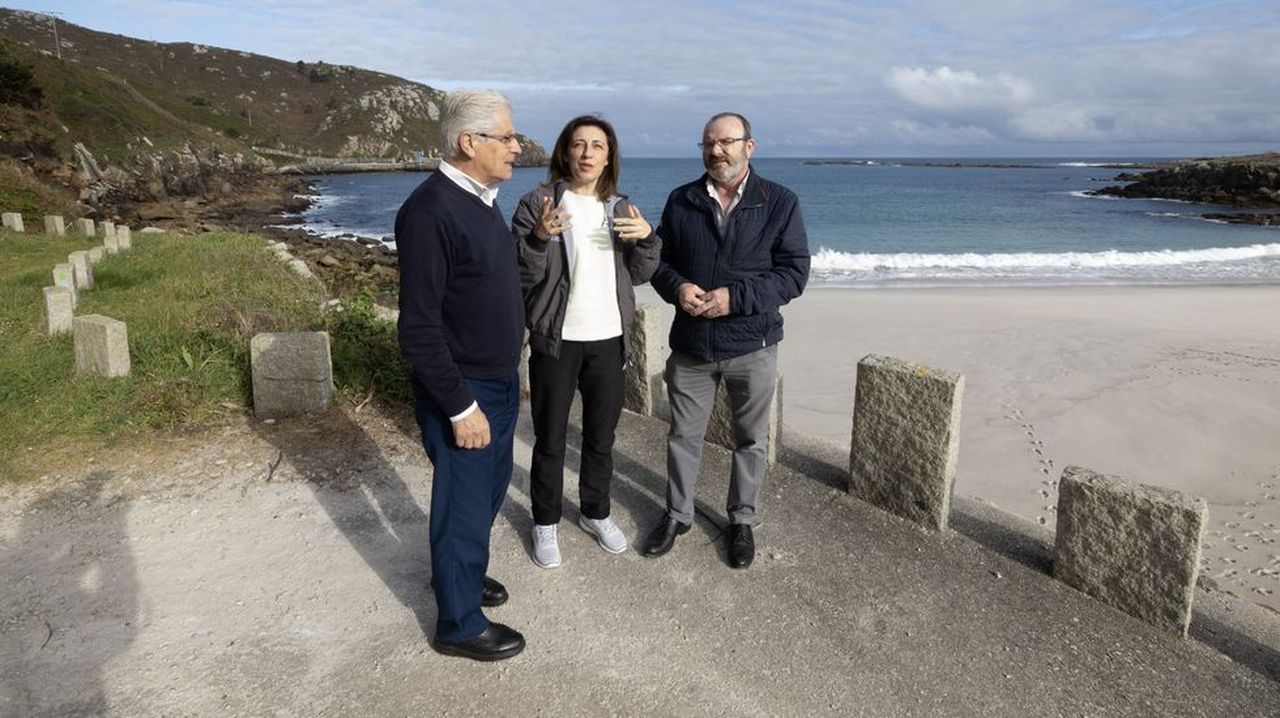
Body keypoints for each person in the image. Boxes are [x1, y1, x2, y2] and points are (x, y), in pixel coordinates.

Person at [642, 112, 810, 569]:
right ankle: (677, 514)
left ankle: (741, 521)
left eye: (727, 142)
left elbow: (794, 275)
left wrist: (734, 298)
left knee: (750, 440)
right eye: (708, 144)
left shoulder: (779, 201)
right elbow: (660, 262)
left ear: (749, 147)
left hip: (752, 346)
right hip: (692, 346)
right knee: (682, 436)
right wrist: (676, 287)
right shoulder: (682, 200)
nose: (717, 151)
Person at [395, 88, 526, 661]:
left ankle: (461, 578)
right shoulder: (430, 212)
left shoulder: (481, 197)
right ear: (468, 142)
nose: (518, 148)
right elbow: (419, 328)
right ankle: (458, 623)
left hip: (497, 379)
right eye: (507, 137)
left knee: (489, 491)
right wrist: (459, 405)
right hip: (466, 389)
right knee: (463, 504)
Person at [511, 115, 660, 568]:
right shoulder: (537, 202)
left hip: (609, 340)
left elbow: (637, 274)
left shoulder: (621, 208)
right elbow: (520, 273)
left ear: (609, 155)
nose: (588, 152)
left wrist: (649, 240)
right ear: (565, 151)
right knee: (551, 438)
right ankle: (545, 522)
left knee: (600, 437)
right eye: (579, 144)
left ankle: (596, 511)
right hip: (556, 340)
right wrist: (539, 238)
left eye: (598, 145)